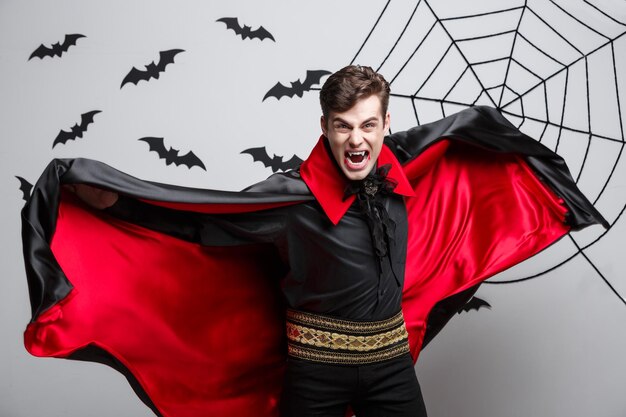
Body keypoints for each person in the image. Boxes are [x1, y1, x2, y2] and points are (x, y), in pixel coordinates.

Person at [21, 65, 607, 417]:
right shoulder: (290, 200)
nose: (357, 140)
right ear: (324, 127)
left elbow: (461, 137)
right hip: (315, 375)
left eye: (369, 125)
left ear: (384, 124)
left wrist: (526, 164)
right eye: (343, 126)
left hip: (390, 366)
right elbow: (202, 222)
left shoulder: (404, 168)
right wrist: (117, 202)